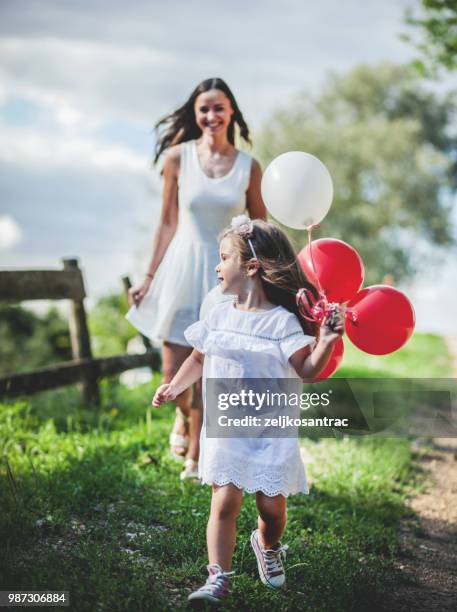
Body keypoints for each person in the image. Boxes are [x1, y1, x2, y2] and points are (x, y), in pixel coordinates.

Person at [152, 215, 344, 604]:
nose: (217, 266)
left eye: (224, 258)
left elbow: (307, 371)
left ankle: (267, 544)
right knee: (224, 503)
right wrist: (174, 386)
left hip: (270, 431)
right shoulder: (219, 315)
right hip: (228, 429)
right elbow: (199, 358)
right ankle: (217, 576)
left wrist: (325, 341)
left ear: (252, 267)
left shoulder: (281, 323)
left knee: (271, 509)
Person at [126, 78, 266, 479]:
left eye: (219, 108)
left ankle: (199, 454)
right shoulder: (177, 158)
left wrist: (267, 277)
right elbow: (167, 220)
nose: (211, 116)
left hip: (227, 275)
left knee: (213, 365)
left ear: (232, 112)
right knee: (175, 374)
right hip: (181, 269)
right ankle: (185, 420)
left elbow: (258, 227)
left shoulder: (248, 167)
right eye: (204, 109)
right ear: (195, 114)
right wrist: (149, 276)